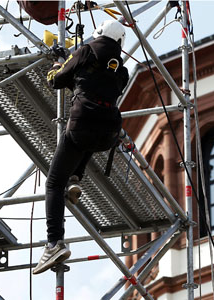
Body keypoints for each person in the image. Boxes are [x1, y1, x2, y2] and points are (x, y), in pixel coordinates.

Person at [33, 20, 129, 275]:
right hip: (109, 132)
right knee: (92, 130)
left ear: (98, 35)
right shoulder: (122, 70)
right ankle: (76, 177)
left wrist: (59, 61)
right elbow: (96, 86)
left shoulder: (85, 52)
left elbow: (56, 80)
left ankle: (54, 243)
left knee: (53, 182)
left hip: (83, 123)